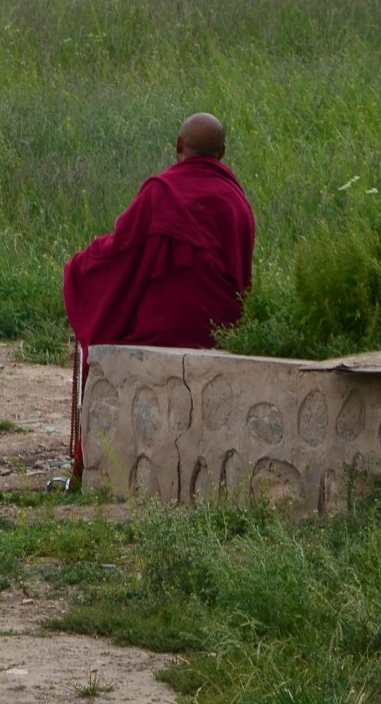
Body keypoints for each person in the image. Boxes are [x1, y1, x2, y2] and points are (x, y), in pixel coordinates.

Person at [62, 113, 256, 475]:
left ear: (179, 146)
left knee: (118, 318)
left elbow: (123, 249)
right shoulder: (237, 202)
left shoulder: (161, 192)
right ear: (223, 152)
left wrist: (79, 267)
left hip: (165, 331)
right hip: (222, 331)